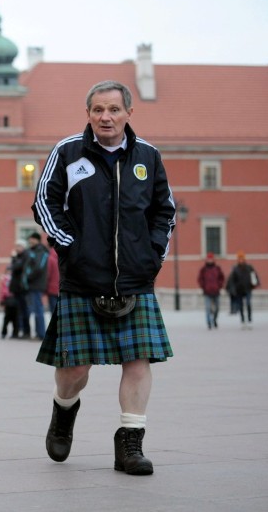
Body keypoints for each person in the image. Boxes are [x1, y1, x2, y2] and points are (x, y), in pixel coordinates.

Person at [32, 80, 175, 476]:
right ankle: (63, 411)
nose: (105, 117)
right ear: (89, 114)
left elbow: (165, 211)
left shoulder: (148, 156)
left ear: (129, 113)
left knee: (138, 359)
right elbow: (44, 203)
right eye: (98, 110)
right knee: (76, 370)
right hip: (83, 277)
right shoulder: (68, 152)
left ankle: (130, 442)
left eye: (113, 109)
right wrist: (71, 250)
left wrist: (151, 257)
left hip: (134, 278)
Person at [23, 232, 50, 339]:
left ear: (37, 240)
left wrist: (28, 276)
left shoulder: (41, 251)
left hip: (37, 284)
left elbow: (39, 267)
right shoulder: (34, 251)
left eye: (32, 239)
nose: (30, 241)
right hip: (33, 284)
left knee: (38, 310)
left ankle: (41, 334)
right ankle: (39, 334)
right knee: (36, 310)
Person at [228, 251, 259, 328]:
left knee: (248, 303)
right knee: (241, 305)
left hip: (248, 288)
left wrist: (255, 283)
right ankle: (242, 320)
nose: (241, 260)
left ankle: (249, 319)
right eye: (239, 258)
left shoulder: (249, 267)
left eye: (242, 258)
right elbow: (232, 280)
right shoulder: (235, 269)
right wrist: (232, 289)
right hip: (239, 290)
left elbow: (254, 276)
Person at [197, 252, 224, 329]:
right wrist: (203, 286)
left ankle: (214, 320)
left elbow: (222, 278)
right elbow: (200, 279)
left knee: (217, 308)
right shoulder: (203, 269)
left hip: (216, 291)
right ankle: (209, 322)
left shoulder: (217, 268)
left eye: (211, 259)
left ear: (213, 259)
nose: (210, 260)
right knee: (208, 308)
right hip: (207, 292)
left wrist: (219, 285)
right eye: (208, 259)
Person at [8, 240, 30, 339]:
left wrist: (13, 259)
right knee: (18, 311)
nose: (17, 248)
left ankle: (26, 331)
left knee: (23, 310)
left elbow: (16, 267)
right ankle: (18, 330)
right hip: (16, 288)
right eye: (16, 246)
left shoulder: (24, 256)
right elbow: (11, 267)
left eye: (19, 246)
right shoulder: (18, 257)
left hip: (22, 288)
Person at [0, 265, 17, 339]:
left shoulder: (13, 279)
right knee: (7, 318)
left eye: (10, 271)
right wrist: (1, 299)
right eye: (8, 271)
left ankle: (14, 333)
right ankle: (4, 332)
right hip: (8, 299)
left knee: (14, 318)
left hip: (13, 299)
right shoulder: (5, 279)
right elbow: (2, 290)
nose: (9, 272)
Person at [45, 244, 60, 315]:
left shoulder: (50, 258)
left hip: (51, 288)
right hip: (60, 287)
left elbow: (47, 274)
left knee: (53, 310)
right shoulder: (60, 257)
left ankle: (55, 325)